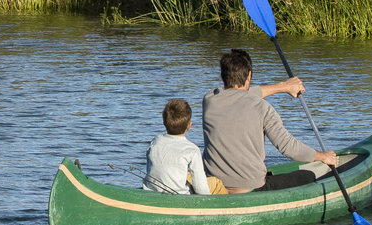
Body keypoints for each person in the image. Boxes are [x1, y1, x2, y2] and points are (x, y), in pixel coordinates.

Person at [201, 47, 342, 194]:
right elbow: (288, 147)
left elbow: (239, 94)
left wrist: (283, 87)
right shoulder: (263, 108)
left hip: (215, 186)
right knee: (308, 175)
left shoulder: (210, 99)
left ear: (222, 74)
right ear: (249, 76)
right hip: (252, 187)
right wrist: (322, 156)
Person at [142, 97, 213, 195]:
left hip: (152, 191)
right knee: (217, 183)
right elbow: (201, 189)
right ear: (189, 126)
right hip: (180, 195)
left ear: (164, 122)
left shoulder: (155, 142)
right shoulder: (192, 150)